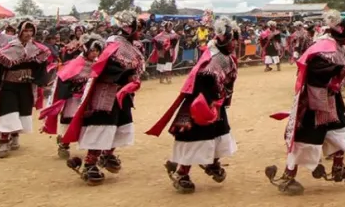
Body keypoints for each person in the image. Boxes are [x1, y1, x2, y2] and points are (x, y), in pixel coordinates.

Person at [264, 10, 345, 196]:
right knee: (304, 140)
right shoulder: (323, 46)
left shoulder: (336, 46)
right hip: (314, 102)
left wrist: (344, 69)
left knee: (341, 130)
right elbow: (316, 69)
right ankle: (288, 175)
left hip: (331, 99)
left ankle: (338, 167)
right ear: (343, 34)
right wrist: (339, 68)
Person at [148, 17, 239, 194]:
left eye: (236, 38)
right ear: (224, 39)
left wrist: (219, 100)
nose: (235, 42)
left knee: (219, 134)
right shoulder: (213, 58)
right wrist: (210, 101)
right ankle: (182, 173)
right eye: (233, 38)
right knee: (197, 138)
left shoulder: (225, 56)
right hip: (201, 104)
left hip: (215, 104)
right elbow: (203, 79)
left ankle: (212, 162)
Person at [62, 10, 146, 186]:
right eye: (136, 28)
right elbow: (104, 66)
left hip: (123, 93)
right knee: (103, 126)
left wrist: (129, 81)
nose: (139, 31)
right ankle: (90, 163)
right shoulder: (113, 44)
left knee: (122, 125)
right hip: (106, 92)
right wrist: (125, 77)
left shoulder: (135, 47)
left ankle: (107, 154)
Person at [0, 20, 51, 158]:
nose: (28, 34)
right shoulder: (8, 49)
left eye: (31, 31)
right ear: (20, 32)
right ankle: (3, 142)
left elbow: (41, 68)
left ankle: (15, 136)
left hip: (26, 86)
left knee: (22, 112)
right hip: (9, 86)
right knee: (8, 113)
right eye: (25, 31)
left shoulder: (38, 49)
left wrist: (40, 81)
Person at [41, 35, 104, 159]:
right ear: (86, 50)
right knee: (70, 121)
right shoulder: (76, 63)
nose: (94, 53)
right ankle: (64, 144)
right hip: (74, 98)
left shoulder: (97, 64)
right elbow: (63, 78)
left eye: (97, 50)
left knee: (87, 122)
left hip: (88, 99)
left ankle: (91, 148)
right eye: (92, 50)